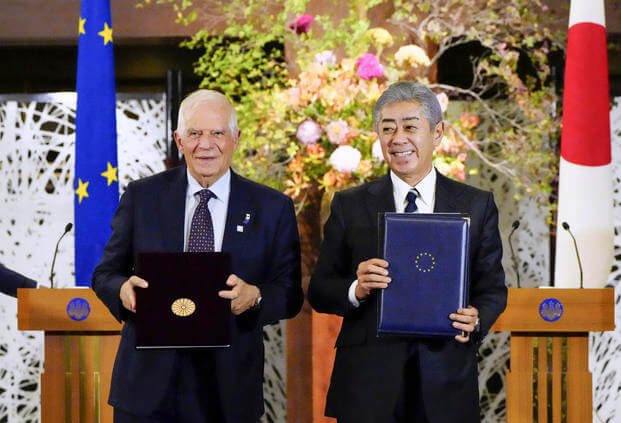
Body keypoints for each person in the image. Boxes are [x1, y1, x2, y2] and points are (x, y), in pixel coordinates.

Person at [92, 89, 303, 422]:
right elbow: (105, 273)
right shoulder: (142, 196)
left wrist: (256, 296)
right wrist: (122, 289)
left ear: (236, 138)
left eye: (217, 133)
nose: (206, 144)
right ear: (179, 139)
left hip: (228, 389)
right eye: (195, 133)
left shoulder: (272, 207)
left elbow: (290, 292)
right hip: (147, 388)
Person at [308, 81, 507, 423]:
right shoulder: (350, 205)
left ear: (438, 132)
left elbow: (492, 289)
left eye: (410, 127)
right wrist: (357, 288)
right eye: (387, 129)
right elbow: (319, 290)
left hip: (445, 380)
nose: (398, 138)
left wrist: (476, 318)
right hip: (368, 383)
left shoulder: (475, 204)